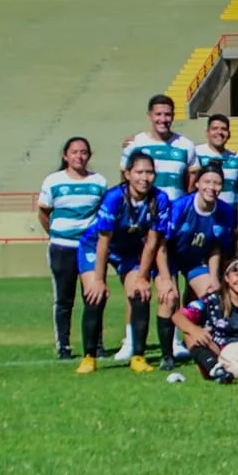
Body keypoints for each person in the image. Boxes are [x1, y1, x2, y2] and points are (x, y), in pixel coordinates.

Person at [75, 152, 170, 374]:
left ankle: (138, 356)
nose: (144, 178)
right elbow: (103, 242)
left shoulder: (160, 199)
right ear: (127, 174)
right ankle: (89, 357)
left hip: (131, 251)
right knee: (94, 296)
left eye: (149, 172)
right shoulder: (114, 198)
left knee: (140, 294)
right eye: (138, 172)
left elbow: (152, 243)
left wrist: (142, 278)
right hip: (96, 246)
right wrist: (98, 280)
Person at [158, 167, 237, 369]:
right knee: (169, 297)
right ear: (197, 184)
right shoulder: (180, 207)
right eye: (207, 182)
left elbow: (216, 247)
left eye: (217, 183)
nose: (212, 187)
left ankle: (199, 345)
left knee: (211, 296)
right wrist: (166, 278)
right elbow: (161, 245)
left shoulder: (225, 211)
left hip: (196, 259)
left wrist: (213, 276)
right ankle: (167, 355)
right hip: (169, 259)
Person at [38, 137, 107, 361]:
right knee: (64, 299)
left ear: (89, 155)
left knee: (95, 295)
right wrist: (57, 233)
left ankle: (95, 344)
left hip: (89, 247)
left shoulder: (99, 182)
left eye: (84, 152)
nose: (79, 156)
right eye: (75, 152)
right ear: (66, 156)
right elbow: (43, 213)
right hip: (62, 247)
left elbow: (103, 214)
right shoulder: (53, 181)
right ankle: (64, 346)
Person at [192, 114, 238, 207]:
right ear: (207, 133)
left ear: (229, 134)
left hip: (230, 215)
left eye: (224, 129)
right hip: (204, 215)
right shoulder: (196, 153)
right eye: (215, 128)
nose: (219, 132)